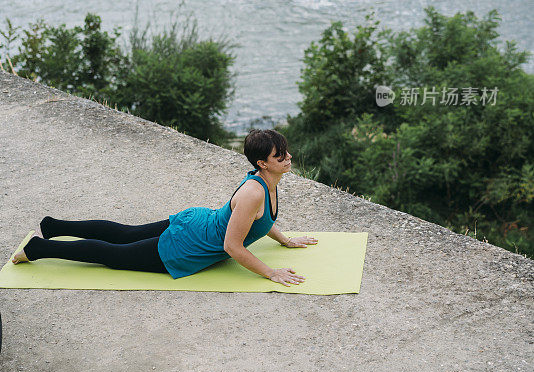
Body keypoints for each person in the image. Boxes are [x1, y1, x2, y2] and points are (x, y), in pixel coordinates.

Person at [12, 129, 318, 287]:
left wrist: (285, 239)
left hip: (196, 223)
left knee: (125, 234)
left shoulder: (267, 183)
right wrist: (270, 272)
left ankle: (55, 227)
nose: (288, 157)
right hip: (188, 244)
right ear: (262, 163)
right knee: (114, 254)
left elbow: (256, 222)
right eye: (280, 156)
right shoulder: (254, 192)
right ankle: (39, 248)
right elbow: (232, 246)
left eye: (286, 151)